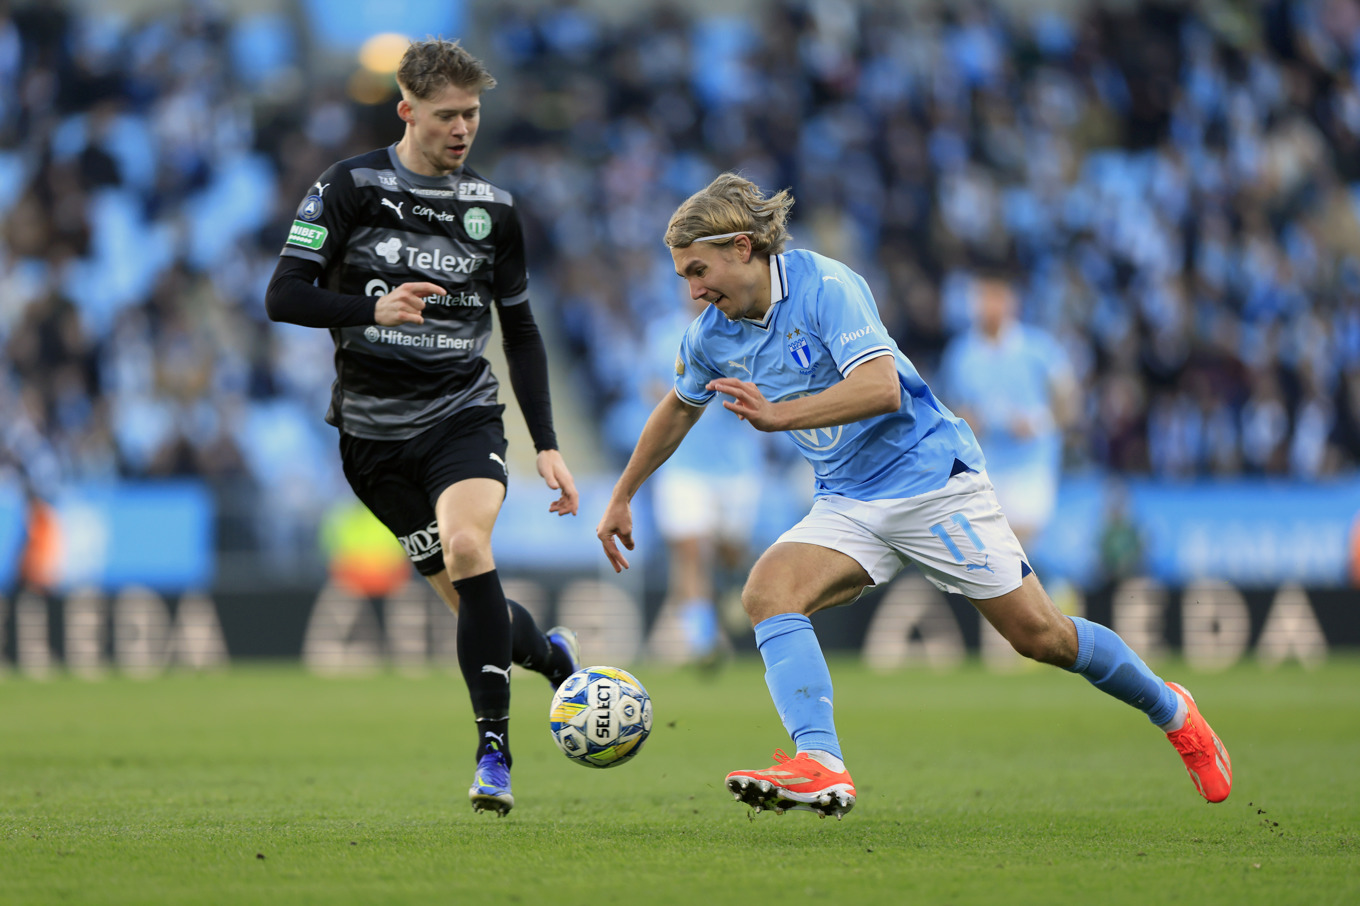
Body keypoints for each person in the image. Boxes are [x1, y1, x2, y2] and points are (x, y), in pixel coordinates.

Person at [595, 173, 1232, 819]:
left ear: (741, 247)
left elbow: (881, 388)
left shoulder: (826, 285)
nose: (693, 290)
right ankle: (820, 762)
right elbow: (678, 408)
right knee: (768, 590)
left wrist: (780, 415)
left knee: (1042, 638)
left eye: (698, 271)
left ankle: (1173, 711)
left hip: (931, 483)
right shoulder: (711, 335)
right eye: (683, 276)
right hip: (848, 500)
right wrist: (623, 495)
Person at [266, 38, 581, 818]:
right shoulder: (349, 187)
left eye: (471, 114)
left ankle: (494, 755)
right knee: (476, 609)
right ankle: (551, 656)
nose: (462, 128)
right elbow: (284, 294)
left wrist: (545, 442)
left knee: (470, 546)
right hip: (373, 442)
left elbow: (521, 332)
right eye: (446, 115)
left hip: (461, 414)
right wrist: (371, 309)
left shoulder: (495, 210)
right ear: (406, 110)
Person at [642, 292, 763, 667]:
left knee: (730, 552)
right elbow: (650, 387)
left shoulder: (741, 329)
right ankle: (703, 641)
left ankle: (730, 585)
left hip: (735, 466)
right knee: (691, 549)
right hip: (683, 464)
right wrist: (684, 397)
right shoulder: (664, 334)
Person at [938, 272, 1077, 551]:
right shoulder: (959, 354)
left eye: (997, 297)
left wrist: (1038, 423)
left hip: (1031, 464)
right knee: (989, 551)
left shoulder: (1040, 348)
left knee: (1018, 547)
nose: (991, 305)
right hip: (984, 466)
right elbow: (946, 408)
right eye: (984, 297)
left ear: (1012, 302)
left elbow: (1069, 400)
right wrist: (962, 420)